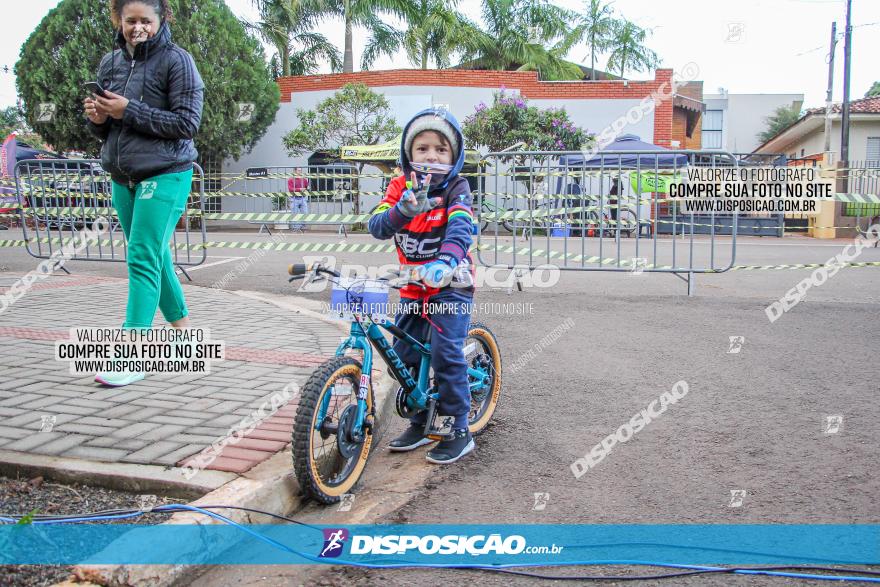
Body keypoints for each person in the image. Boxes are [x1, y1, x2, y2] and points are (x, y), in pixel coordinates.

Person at [83, 0, 204, 387]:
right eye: (130, 20)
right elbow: (110, 131)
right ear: (119, 21)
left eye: (145, 21)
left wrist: (127, 109)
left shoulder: (178, 61)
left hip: (166, 173)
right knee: (155, 256)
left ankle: (132, 354)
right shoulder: (110, 64)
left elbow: (187, 123)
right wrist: (99, 120)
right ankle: (185, 335)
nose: (138, 28)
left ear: (160, 21)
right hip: (124, 177)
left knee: (140, 255)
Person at [368, 108, 476, 465]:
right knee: (406, 356)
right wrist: (403, 210)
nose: (431, 155)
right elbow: (378, 226)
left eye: (441, 149)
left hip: (450, 284)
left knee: (446, 355)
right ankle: (420, 420)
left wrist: (446, 262)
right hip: (413, 287)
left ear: (454, 155)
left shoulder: (457, 187)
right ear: (408, 154)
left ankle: (459, 428)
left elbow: (462, 227)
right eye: (423, 148)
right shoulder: (400, 185)